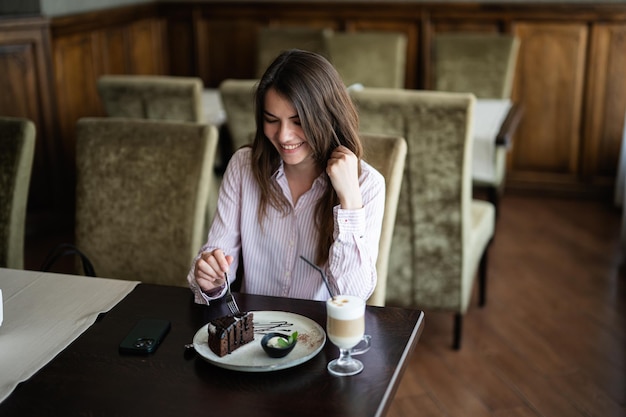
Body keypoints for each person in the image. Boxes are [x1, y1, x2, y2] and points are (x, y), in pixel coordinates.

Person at [187, 49, 385, 304]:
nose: (283, 136)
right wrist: (211, 280)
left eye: (298, 121)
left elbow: (353, 295)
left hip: (320, 333)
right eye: (272, 120)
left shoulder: (367, 184)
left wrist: (349, 202)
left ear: (327, 117)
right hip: (254, 331)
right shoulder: (242, 166)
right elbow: (217, 260)